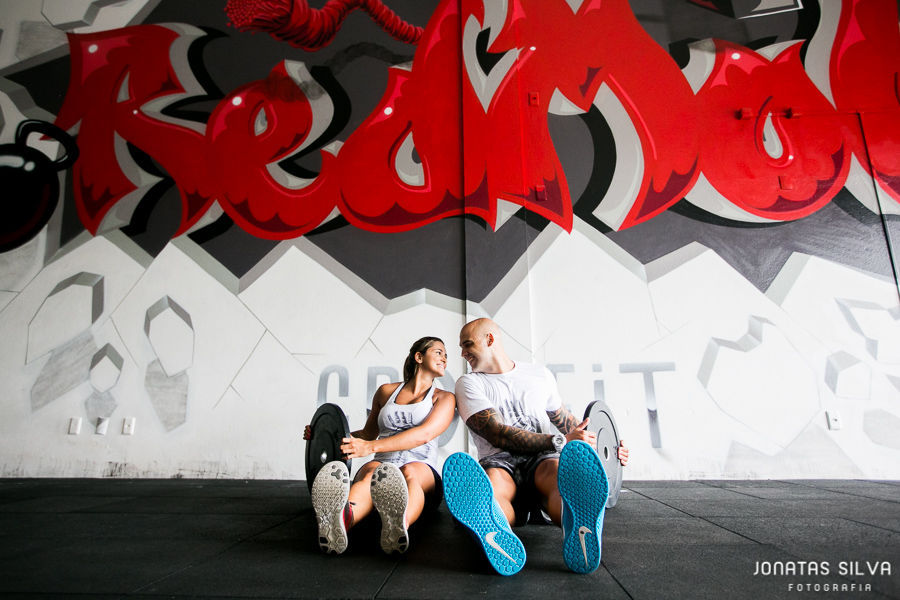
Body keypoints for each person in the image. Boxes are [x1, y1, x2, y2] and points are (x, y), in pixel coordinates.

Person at [443, 318, 629, 575]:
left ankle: (578, 523)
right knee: (494, 485)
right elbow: (497, 434)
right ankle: (494, 529)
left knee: (557, 476)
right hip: (500, 459)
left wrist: (606, 450)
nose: (462, 353)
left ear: (489, 339)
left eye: (467, 344)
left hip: (542, 457)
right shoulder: (469, 383)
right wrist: (560, 440)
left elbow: (566, 421)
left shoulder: (538, 374)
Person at [305, 336, 456, 555]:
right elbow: (367, 434)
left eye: (446, 355)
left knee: (410, 472)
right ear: (419, 357)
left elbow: (424, 435)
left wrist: (370, 447)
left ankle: (399, 525)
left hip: (421, 466)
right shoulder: (386, 392)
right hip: (383, 462)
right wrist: (321, 436)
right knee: (372, 475)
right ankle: (342, 522)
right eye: (439, 352)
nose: (445, 359)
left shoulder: (444, 398)